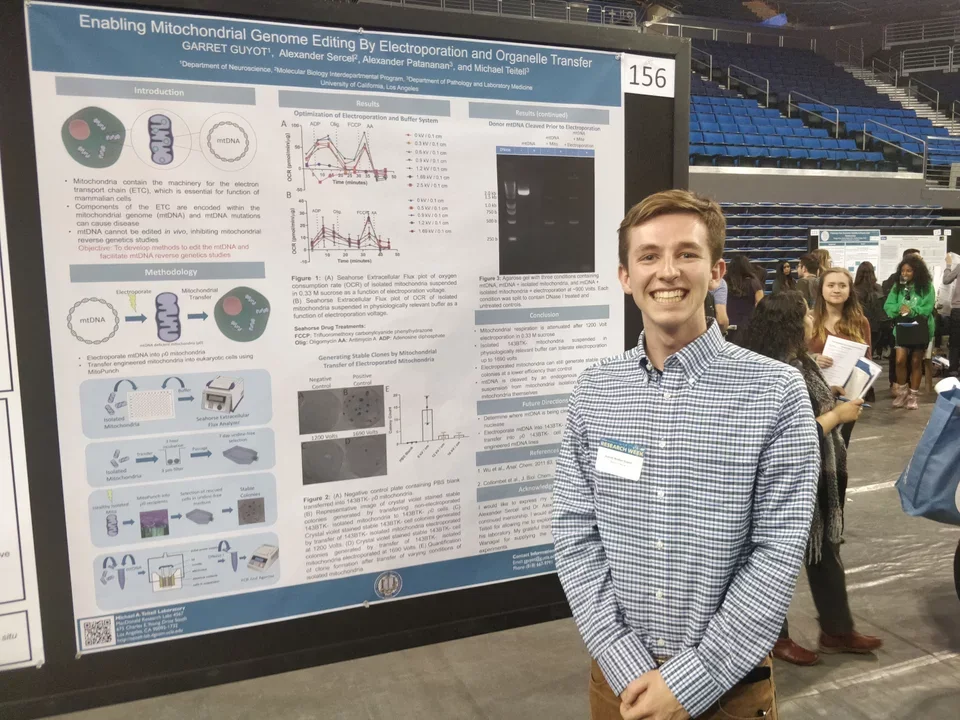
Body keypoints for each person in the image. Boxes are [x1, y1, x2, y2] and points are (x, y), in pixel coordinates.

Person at [553, 190, 820, 720]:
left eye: (687, 254)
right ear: (626, 276)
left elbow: (776, 551)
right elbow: (574, 532)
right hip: (618, 685)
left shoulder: (775, 392)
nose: (667, 272)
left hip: (728, 690)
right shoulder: (595, 392)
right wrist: (624, 660)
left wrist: (692, 680)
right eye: (648, 256)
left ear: (716, 271)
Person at [745, 291, 882, 667]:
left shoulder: (800, 361)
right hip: (786, 481)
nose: (811, 318)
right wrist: (836, 417)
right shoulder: (773, 370)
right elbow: (785, 435)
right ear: (791, 322)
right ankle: (772, 638)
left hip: (818, 477)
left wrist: (832, 395)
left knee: (826, 553)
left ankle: (837, 630)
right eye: (805, 313)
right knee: (773, 560)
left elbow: (811, 400)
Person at [808, 268, 872, 451]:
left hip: (846, 398)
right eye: (831, 285)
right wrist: (813, 359)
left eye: (842, 285)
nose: (836, 290)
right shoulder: (809, 319)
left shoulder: (861, 322)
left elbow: (867, 360)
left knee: (839, 451)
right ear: (821, 289)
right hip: (814, 397)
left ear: (850, 290)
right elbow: (794, 358)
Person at [884, 255, 936, 410]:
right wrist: (897, 309)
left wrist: (912, 310)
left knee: (915, 361)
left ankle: (913, 396)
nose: (905, 273)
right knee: (900, 360)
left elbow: (927, 307)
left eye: (909, 271)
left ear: (917, 271)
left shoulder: (926, 286)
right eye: (903, 270)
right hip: (901, 327)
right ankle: (902, 392)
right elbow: (888, 305)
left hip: (920, 328)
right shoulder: (898, 286)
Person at [725, 254, 764, 345]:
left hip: (728, 325)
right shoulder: (754, 282)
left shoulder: (724, 282)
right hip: (747, 326)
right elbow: (761, 305)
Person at [942, 253, 960, 375]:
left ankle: (953, 368)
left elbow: (946, 280)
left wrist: (948, 264)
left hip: (958, 309)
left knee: (955, 341)